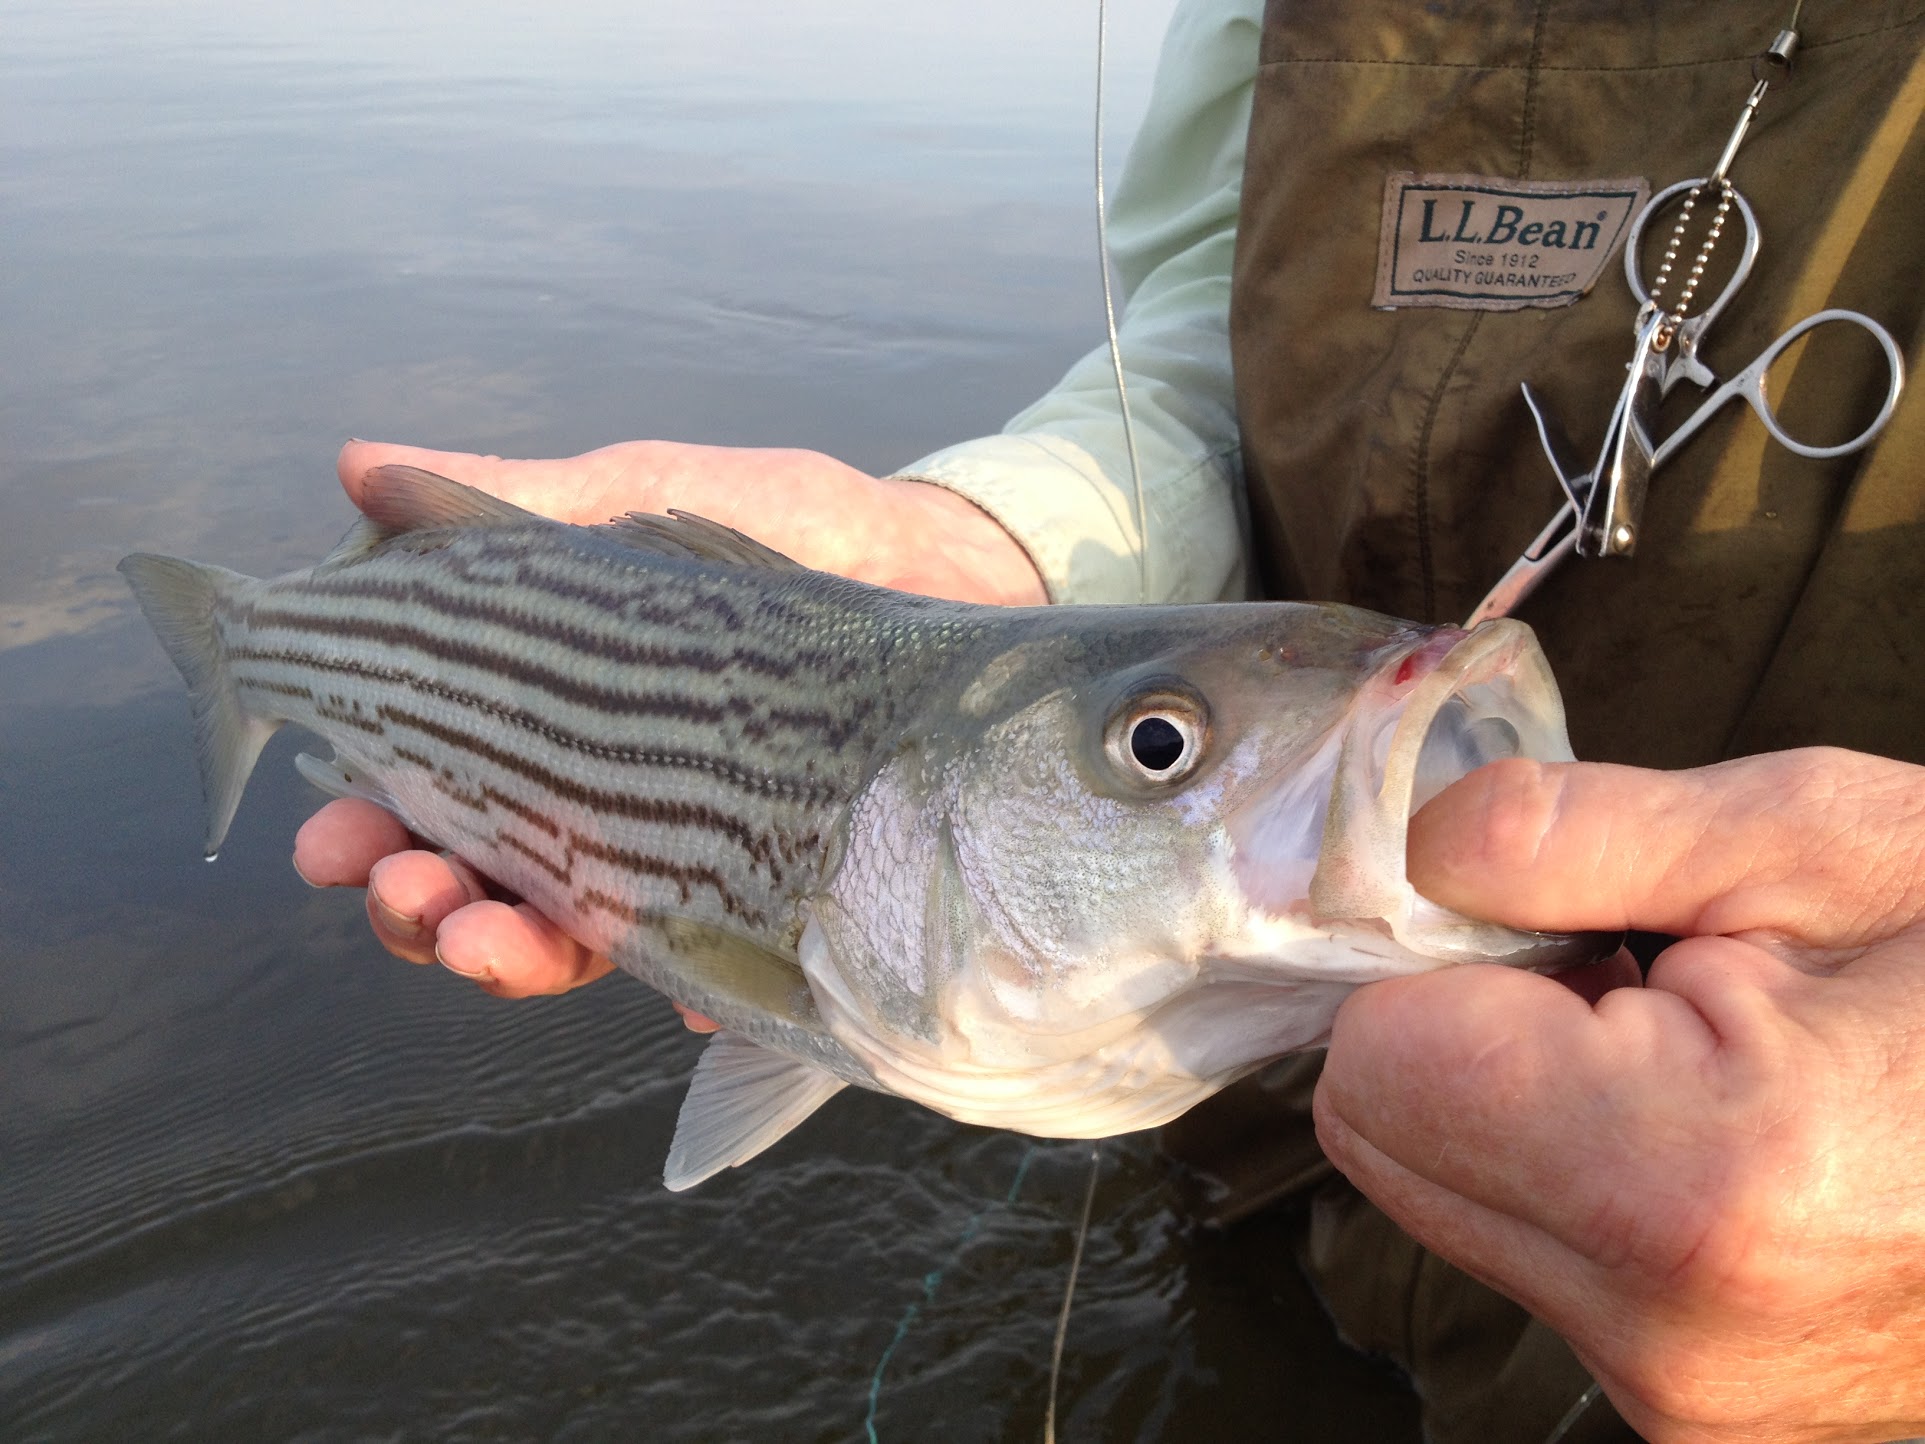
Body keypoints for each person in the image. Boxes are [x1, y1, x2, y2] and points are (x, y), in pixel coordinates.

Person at [293, 1, 1925, 1439]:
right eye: (1158, 750)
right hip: (1290, 1148)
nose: (1159, 752)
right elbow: (1221, 355)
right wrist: (1009, 551)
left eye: (1156, 751)